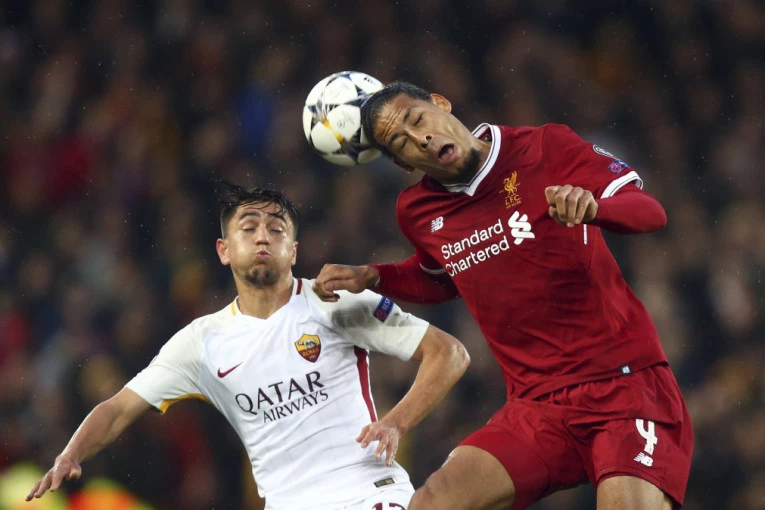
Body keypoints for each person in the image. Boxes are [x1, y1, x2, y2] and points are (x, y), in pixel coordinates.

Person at [313, 82, 693, 509]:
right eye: (402, 143)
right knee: (432, 502)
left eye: (418, 119)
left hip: (623, 386)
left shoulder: (545, 146)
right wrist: (373, 276)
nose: (421, 138)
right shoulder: (417, 211)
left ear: (440, 103)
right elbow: (444, 278)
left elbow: (650, 212)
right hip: (535, 405)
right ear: (402, 163)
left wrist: (595, 208)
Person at [27, 180, 470, 509]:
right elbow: (118, 408)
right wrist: (71, 453)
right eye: (249, 227)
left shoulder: (335, 301)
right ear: (224, 250)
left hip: (366, 491)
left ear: (293, 250)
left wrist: (396, 422)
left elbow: (449, 353)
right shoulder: (201, 342)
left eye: (277, 229)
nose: (263, 236)